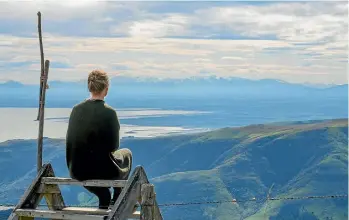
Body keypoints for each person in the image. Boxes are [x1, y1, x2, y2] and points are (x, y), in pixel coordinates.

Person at [65, 69, 132, 209]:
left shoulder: (76, 110)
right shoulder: (109, 113)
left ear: (89, 87)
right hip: (103, 170)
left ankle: (107, 199)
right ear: (106, 89)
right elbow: (114, 145)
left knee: (104, 195)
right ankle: (118, 193)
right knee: (126, 153)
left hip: (78, 170)